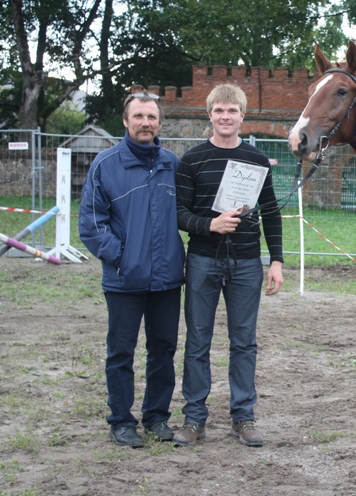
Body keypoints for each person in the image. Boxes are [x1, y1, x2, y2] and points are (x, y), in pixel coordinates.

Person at [173, 84, 283, 448]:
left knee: (244, 342)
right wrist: (210, 225)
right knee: (197, 341)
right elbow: (179, 213)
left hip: (248, 262)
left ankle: (243, 417)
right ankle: (194, 419)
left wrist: (277, 260)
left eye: (232, 111)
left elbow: (270, 213)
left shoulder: (256, 160)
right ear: (209, 115)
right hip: (203, 260)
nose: (225, 117)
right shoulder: (191, 160)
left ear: (242, 116)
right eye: (219, 111)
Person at [78, 92, 185, 448]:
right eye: (138, 116)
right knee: (121, 352)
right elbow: (92, 224)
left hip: (167, 279)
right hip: (124, 280)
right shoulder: (105, 165)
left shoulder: (172, 163)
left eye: (151, 117)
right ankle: (121, 420)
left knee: (163, 350)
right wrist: (123, 257)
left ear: (159, 122)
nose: (145, 123)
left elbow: (191, 213)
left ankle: (156, 417)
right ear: (126, 121)